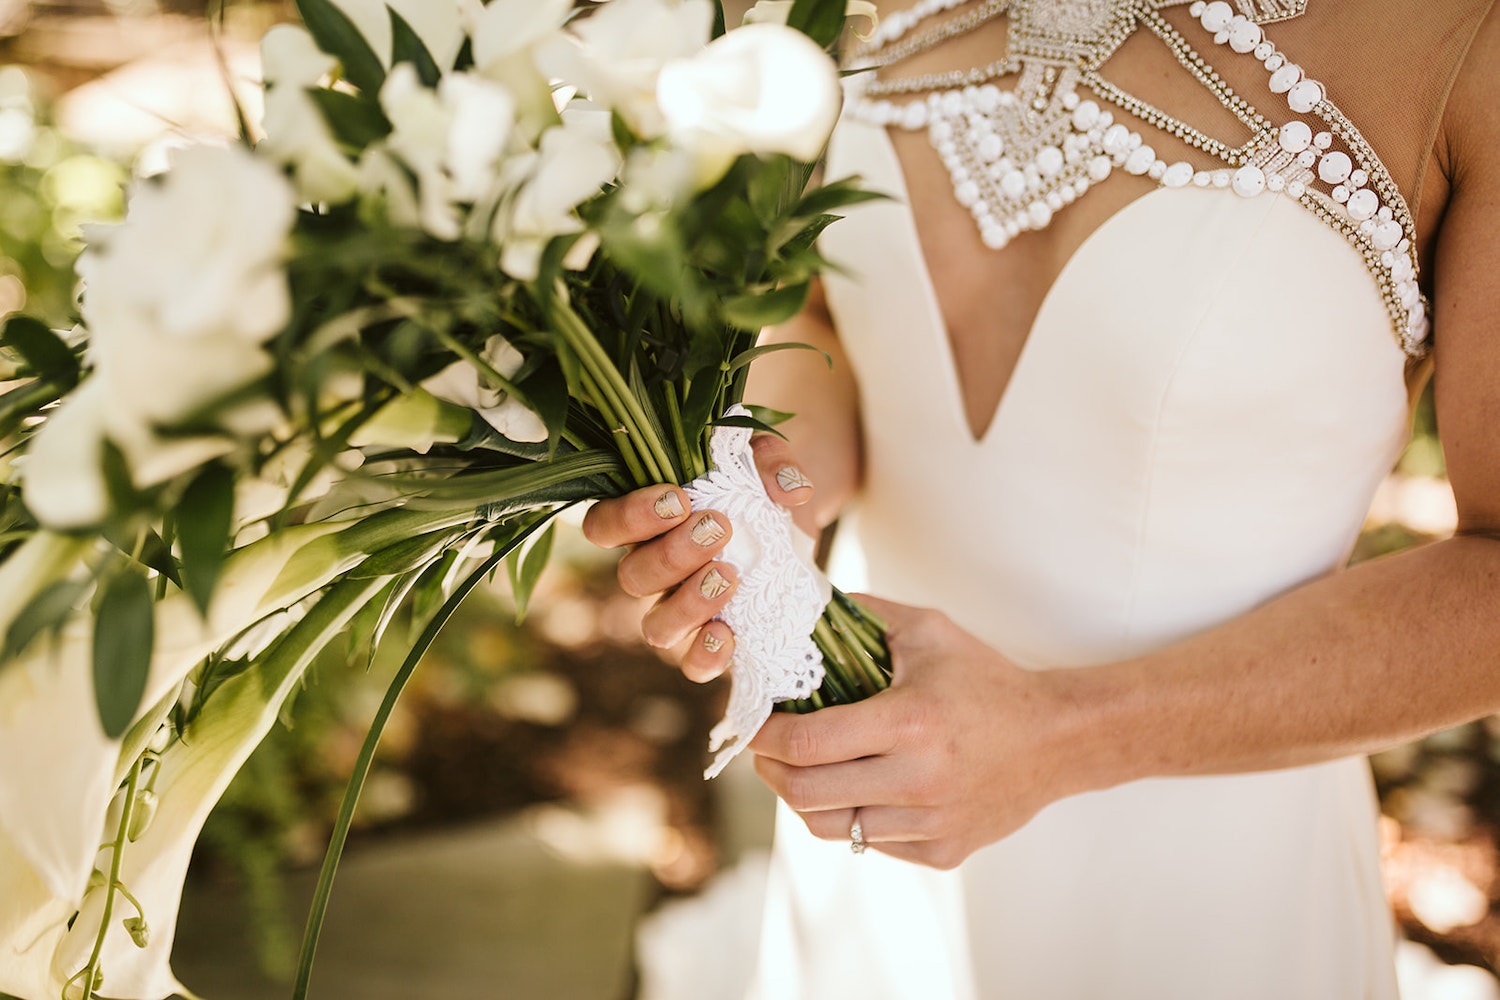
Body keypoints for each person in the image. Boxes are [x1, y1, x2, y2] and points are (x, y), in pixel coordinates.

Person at [585, 0, 1500, 995]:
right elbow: (831, 321)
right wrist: (767, 493)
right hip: (871, 803)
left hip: (1202, 880)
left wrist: (1062, 730)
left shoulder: (1461, 43)